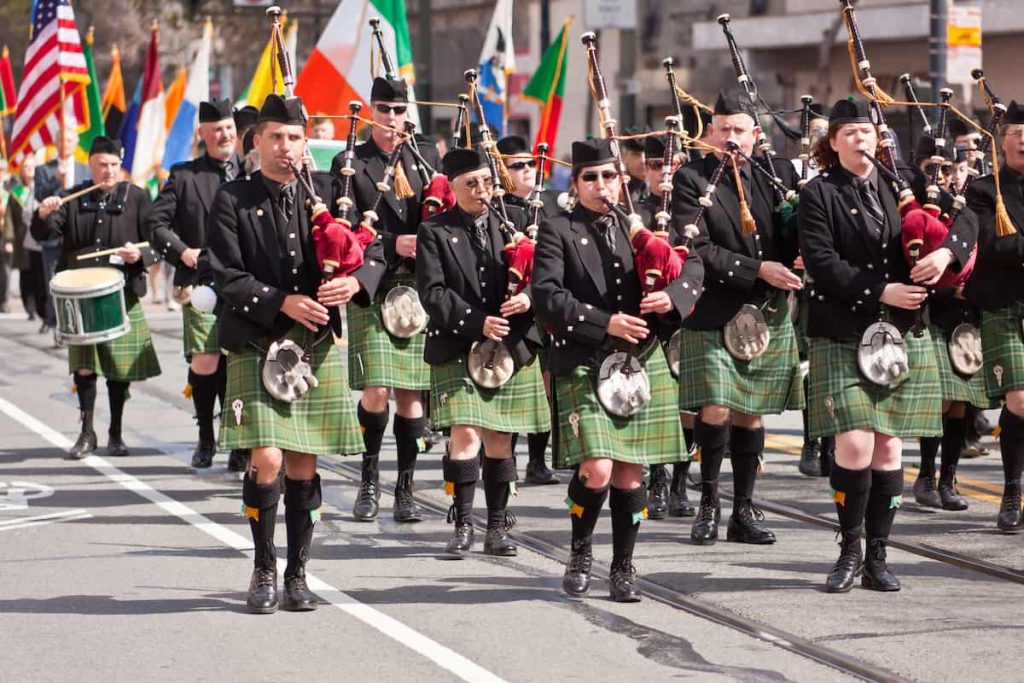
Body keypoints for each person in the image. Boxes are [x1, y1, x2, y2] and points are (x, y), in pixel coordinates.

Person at [205, 94, 385, 613]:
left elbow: (369, 250)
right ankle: (263, 567)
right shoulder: (233, 198)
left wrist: (355, 284)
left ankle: (297, 572)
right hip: (256, 338)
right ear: (256, 141)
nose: (285, 147)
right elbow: (226, 274)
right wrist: (283, 300)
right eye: (275, 137)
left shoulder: (332, 193)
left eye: (294, 138)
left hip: (314, 345)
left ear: (307, 143)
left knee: (304, 464)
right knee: (267, 458)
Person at [799, 99, 972, 592]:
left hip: (900, 331)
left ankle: (878, 555)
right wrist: (880, 290)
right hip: (844, 328)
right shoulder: (818, 193)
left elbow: (967, 225)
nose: (860, 140)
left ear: (879, 140)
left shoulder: (907, 189)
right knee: (854, 443)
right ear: (832, 142)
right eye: (848, 133)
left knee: (889, 447)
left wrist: (944, 255)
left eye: (866, 132)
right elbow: (820, 260)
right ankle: (849, 549)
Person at [534, 138, 703, 602]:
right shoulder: (557, 230)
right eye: (590, 177)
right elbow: (547, 296)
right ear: (576, 183)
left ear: (621, 178)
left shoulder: (648, 225)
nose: (601, 185)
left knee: (631, 476)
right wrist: (602, 319)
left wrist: (673, 298)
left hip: (639, 361)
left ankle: (624, 566)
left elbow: (693, 268)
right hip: (586, 358)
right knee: (598, 469)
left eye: (608, 175)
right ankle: (581, 550)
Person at [672, 90, 804, 547]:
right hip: (713, 307)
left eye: (740, 131)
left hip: (766, 309)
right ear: (710, 132)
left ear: (755, 135)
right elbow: (697, 247)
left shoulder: (779, 173)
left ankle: (743, 510)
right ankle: (708, 501)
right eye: (723, 129)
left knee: (751, 415)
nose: (731, 139)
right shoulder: (691, 179)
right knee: (715, 408)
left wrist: (801, 248)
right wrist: (755, 269)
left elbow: (791, 236)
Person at [416, 147, 550, 557]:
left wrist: (527, 298)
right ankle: (462, 522)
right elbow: (432, 293)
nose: (481, 190)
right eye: (471, 183)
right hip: (459, 342)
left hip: (510, 346)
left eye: (487, 182)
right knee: (466, 433)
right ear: (452, 188)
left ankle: (496, 527)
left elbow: (545, 276)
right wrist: (478, 322)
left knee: (500, 439)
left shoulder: (517, 224)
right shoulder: (435, 231)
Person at [332, 76, 441, 524]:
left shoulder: (426, 157)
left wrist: (428, 243)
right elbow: (346, 228)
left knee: (413, 396)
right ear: (371, 110)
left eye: (399, 110)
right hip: (372, 284)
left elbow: (444, 215)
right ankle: (369, 478)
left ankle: (406, 488)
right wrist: (395, 243)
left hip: (417, 287)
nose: (391, 118)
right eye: (384, 109)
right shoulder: (349, 160)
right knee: (377, 390)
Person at [31, 136, 161, 459]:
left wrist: (140, 254)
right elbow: (43, 234)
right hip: (80, 294)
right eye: (102, 165)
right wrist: (44, 213)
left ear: (121, 163)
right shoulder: (71, 197)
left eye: (114, 165)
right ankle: (87, 432)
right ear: (90, 164)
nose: (109, 171)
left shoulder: (138, 198)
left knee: (119, 368)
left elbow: (159, 243)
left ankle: (115, 432)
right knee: (85, 369)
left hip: (122, 292)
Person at [145, 98, 248, 471]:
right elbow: (155, 223)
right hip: (203, 283)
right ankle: (206, 435)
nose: (224, 135)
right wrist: (182, 252)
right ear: (203, 134)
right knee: (207, 360)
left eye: (229, 129)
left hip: (246, 283)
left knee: (240, 362)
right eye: (216, 129)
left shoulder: (252, 172)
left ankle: (239, 441)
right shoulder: (184, 175)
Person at [902, 136, 986, 511]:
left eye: (948, 168)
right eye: (931, 167)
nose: (940, 175)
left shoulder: (963, 208)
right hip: (925, 313)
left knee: (959, 403)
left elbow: (970, 243)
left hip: (962, 317)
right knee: (937, 400)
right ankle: (925, 475)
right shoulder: (907, 206)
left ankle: (948, 479)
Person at [966, 99, 1024, 532]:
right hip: (1004, 304)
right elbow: (991, 245)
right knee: (1020, 401)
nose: (1023, 140)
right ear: (1000, 141)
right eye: (1015, 132)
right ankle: (1012, 489)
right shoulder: (985, 190)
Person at [495, 133, 559, 485]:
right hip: (509, 310)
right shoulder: (495, 206)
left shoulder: (548, 205)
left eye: (530, 163)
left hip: (545, 306)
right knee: (514, 384)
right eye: (517, 166)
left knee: (546, 386)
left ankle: (537, 460)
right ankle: (507, 458)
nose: (527, 171)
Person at [637, 133, 695, 518]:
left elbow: (698, 262)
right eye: (656, 166)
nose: (664, 173)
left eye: (671, 165)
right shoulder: (634, 212)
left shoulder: (693, 211)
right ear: (645, 168)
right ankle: (656, 478)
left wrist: (676, 295)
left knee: (688, 405)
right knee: (657, 404)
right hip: (644, 320)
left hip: (686, 317)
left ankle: (679, 482)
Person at [35, 128, 91, 341]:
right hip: (52, 236)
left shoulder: (84, 170)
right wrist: (56, 180)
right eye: (60, 139)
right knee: (54, 281)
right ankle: (56, 323)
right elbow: (40, 196)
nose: (65, 143)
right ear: (55, 142)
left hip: (77, 237)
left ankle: (77, 322)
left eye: (69, 139)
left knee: (77, 280)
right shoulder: (44, 170)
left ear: (75, 142)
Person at [6, 157, 43, 319]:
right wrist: (9, 239)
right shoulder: (16, 193)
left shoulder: (44, 189)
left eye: (32, 166)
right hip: (22, 240)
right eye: (25, 166)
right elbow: (9, 219)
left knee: (39, 273)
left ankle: (40, 305)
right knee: (25, 274)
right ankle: (29, 307)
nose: (29, 169)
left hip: (40, 239)